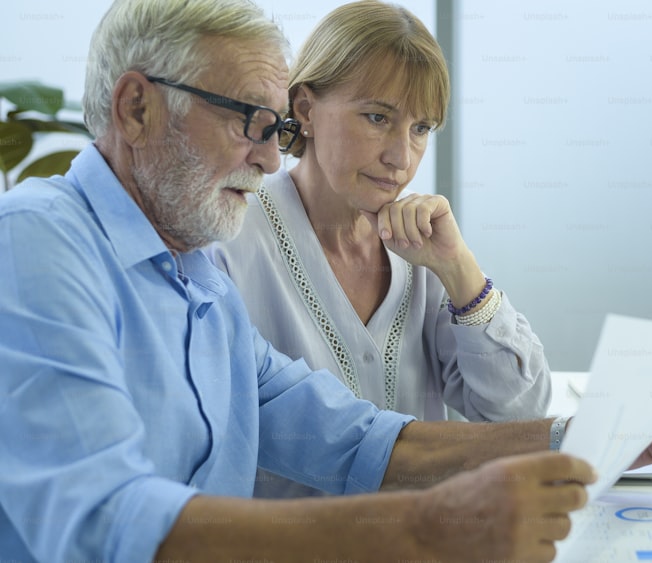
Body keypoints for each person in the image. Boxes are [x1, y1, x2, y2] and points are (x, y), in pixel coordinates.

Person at [0, 0, 652, 561]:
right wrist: (425, 528)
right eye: (249, 122)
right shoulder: (38, 241)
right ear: (137, 108)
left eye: (273, 130)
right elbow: (104, 521)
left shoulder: (194, 273)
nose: (271, 160)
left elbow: (349, 436)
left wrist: (579, 438)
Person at [210, 0, 551, 499]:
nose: (401, 157)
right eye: (377, 117)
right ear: (303, 109)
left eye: (421, 129)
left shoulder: (423, 251)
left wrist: (458, 269)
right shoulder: (231, 241)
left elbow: (520, 416)